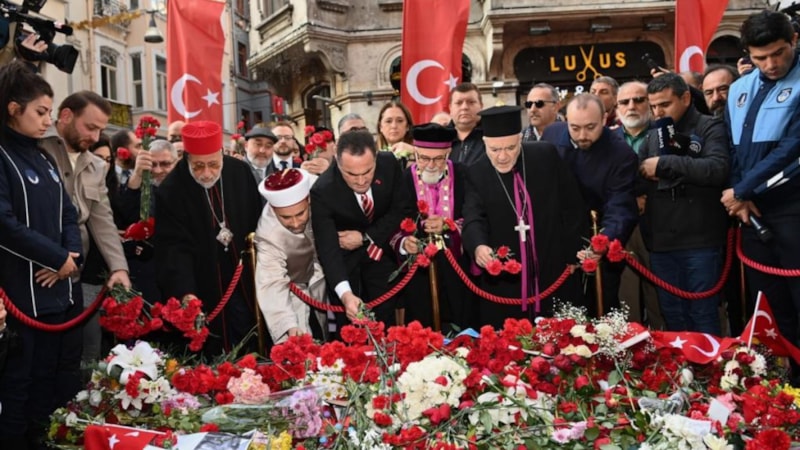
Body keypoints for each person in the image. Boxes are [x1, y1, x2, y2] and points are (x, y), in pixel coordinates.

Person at [0, 60, 83, 450]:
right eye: (41, 112)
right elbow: (4, 223)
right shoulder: (3, 155)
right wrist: (55, 258)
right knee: (20, 381)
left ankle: (47, 437)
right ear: (13, 109)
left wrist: (69, 257)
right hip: (22, 293)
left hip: (58, 290)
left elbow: (69, 211)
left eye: (50, 112)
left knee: (53, 377)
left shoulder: (44, 156)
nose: (48, 121)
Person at [723, 10, 800, 380]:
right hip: (752, 214)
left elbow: (792, 148)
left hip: (793, 210)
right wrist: (742, 197)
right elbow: (734, 150)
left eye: (778, 53)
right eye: (760, 57)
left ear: (794, 41)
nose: (770, 64)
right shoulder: (739, 89)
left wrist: (741, 190)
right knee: (769, 306)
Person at [462, 105, 588, 329]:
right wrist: (478, 246)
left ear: (520, 139)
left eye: (510, 148)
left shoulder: (545, 156)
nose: (502, 156)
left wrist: (573, 253)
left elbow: (573, 205)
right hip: (504, 277)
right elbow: (473, 216)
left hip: (552, 263)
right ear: (485, 145)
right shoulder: (477, 172)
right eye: (494, 149)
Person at [155, 121, 261, 356]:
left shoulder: (239, 172)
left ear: (222, 155)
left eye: (213, 165)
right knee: (212, 348)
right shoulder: (171, 189)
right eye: (198, 166)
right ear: (187, 159)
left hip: (243, 277)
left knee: (249, 337)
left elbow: (257, 220)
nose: (206, 173)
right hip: (202, 280)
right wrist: (186, 292)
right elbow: (173, 248)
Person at [639, 73, 729, 335]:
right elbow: (642, 171)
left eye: (664, 105)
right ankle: (681, 374)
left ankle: (711, 374)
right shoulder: (652, 134)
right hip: (662, 241)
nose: (658, 112)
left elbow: (717, 168)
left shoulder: (709, 126)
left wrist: (666, 165)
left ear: (686, 98)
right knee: (673, 314)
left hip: (701, 240)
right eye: (653, 106)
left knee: (702, 313)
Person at [542, 94, 638, 316]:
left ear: (605, 119)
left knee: (600, 308)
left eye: (590, 127)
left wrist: (602, 244)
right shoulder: (552, 135)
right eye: (574, 128)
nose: (582, 135)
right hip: (558, 239)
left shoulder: (621, 154)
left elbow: (620, 206)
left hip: (597, 235)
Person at [310, 130, 412, 327]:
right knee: (349, 333)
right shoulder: (323, 190)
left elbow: (401, 209)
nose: (361, 180)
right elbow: (327, 249)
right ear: (337, 164)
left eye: (367, 171)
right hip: (344, 265)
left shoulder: (389, 164)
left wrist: (366, 237)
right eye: (351, 174)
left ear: (375, 159)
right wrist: (346, 295)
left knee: (385, 326)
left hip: (381, 255)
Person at [390, 123, 471, 330]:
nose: (431, 165)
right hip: (419, 272)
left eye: (438, 159)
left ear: (448, 153)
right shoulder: (405, 179)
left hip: (457, 270)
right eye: (423, 158)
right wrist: (404, 242)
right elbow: (395, 223)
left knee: (460, 325)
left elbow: (473, 218)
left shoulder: (463, 174)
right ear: (415, 153)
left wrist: (450, 225)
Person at [255, 168, 328, 343]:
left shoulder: (322, 195)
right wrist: (287, 325)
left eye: (301, 214)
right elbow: (271, 281)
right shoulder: (268, 233)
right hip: (295, 288)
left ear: (309, 201)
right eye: (286, 217)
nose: (295, 223)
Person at [613, 81, 663, 329]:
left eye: (638, 100)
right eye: (624, 101)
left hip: (660, 226)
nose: (631, 106)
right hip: (622, 229)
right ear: (616, 107)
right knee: (627, 297)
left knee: (660, 296)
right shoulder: (608, 139)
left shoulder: (664, 135)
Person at [448, 82, 486, 166]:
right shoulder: (441, 139)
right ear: (450, 108)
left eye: (471, 102)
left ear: (481, 106)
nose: (464, 107)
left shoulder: (491, 136)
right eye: (459, 103)